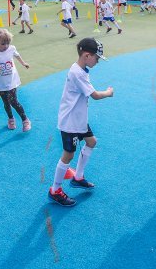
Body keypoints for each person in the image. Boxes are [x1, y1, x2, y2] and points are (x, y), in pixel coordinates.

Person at [48, 38, 113, 206]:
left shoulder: (81, 69)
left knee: (91, 142)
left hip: (79, 119)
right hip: (70, 121)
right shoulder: (77, 73)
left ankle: (78, 177)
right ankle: (55, 190)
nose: (97, 61)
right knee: (68, 154)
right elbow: (95, 95)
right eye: (96, 58)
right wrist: (108, 92)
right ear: (86, 55)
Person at [0, 28, 31, 130]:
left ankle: (25, 120)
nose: (5, 46)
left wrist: (23, 63)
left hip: (12, 81)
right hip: (1, 84)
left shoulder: (11, 48)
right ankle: (11, 119)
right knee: (6, 103)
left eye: (7, 43)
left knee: (13, 101)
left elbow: (17, 55)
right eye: (3, 44)